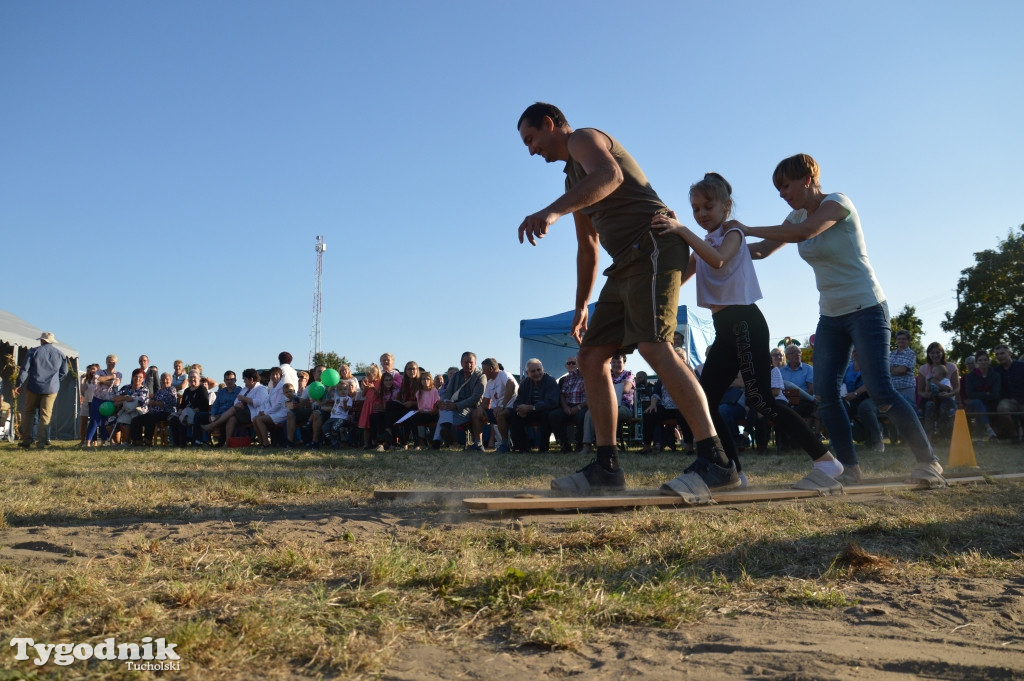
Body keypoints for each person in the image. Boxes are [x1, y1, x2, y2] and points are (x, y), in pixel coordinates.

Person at [516, 102, 737, 495]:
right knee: (590, 357)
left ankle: (716, 461)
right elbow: (588, 247)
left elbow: (611, 174)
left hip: (654, 244)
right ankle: (607, 468)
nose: (531, 150)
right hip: (625, 263)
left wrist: (551, 213)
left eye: (531, 139)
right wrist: (582, 304)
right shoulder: (572, 183)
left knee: (654, 346)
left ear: (550, 125)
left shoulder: (585, 138)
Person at [739, 153, 942, 484]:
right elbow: (761, 250)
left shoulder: (837, 203)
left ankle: (929, 462)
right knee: (824, 393)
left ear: (807, 179)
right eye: (777, 188)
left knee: (880, 389)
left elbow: (806, 232)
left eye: (785, 185)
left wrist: (745, 228)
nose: (781, 193)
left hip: (867, 308)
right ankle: (849, 468)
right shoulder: (794, 217)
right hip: (830, 315)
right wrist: (721, 246)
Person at [652, 173, 843, 487]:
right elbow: (678, 280)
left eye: (708, 207)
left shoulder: (732, 234)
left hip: (744, 322)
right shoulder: (702, 242)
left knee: (762, 400)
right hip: (724, 327)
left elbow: (717, 260)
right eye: (695, 209)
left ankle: (826, 463)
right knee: (703, 400)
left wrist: (682, 230)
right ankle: (731, 471)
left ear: (726, 206)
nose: (701, 214)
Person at [14, 331, 69, 449]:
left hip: (34, 385)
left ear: (42, 340)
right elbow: (64, 372)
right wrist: (55, 380)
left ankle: (26, 440)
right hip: (51, 388)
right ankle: (41, 442)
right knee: (46, 415)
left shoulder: (33, 351)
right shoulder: (60, 354)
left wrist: (18, 384)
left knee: (29, 413)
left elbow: (24, 370)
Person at [431, 352, 486, 450]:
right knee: (444, 407)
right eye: (466, 362)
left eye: (471, 362)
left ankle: (437, 442)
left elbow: (475, 398)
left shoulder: (480, 377)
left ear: (475, 363)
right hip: (454, 406)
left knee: (444, 416)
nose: (468, 365)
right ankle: (447, 433)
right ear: (461, 363)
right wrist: (443, 401)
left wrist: (456, 405)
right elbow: (448, 392)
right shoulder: (456, 375)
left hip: (471, 408)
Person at [507, 358, 560, 453]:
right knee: (512, 414)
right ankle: (522, 447)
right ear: (527, 373)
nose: (537, 373)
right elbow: (517, 401)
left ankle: (543, 447)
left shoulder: (550, 381)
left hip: (544, 411)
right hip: (530, 412)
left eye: (539, 370)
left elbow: (552, 402)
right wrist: (519, 409)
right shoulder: (524, 383)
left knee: (546, 414)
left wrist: (531, 407)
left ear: (543, 369)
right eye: (533, 371)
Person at [472, 358, 518, 452]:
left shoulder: (503, 374)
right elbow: (485, 402)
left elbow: (511, 385)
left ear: (491, 369)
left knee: (500, 414)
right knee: (476, 413)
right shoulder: (489, 383)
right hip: (498, 410)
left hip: (511, 409)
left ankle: (505, 444)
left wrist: (502, 406)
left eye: (484, 369)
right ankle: (478, 444)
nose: (483, 372)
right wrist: (481, 408)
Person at [916, 342, 959, 440]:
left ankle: (946, 435)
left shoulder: (951, 367)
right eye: (932, 353)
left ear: (942, 353)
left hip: (946, 397)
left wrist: (948, 394)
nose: (935, 355)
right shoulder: (923, 369)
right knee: (929, 406)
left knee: (945, 407)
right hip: (931, 398)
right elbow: (920, 391)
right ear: (928, 354)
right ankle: (928, 436)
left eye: (938, 352)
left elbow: (956, 388)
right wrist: (926, 393)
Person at [549, 356, 587, 454]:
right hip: (568, 405)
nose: (571, 365)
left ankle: (580, 444)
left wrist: (578, 407)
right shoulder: (568, 377)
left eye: (573, 363)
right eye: (569, 363)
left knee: (582, 416)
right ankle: (564, 444)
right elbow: (562, 394)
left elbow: (592, 397)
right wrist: (565, 407)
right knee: (554, 415)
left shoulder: (590, 376)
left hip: (583, 406)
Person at [131, 371, 177, 445]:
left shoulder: (171, 389)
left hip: (166, 412)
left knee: (150, 418)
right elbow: (150, 401)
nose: (165, 381)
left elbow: (173, 402)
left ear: (171, 381)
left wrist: (156, 403)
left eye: (167, 379)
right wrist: (151, 403)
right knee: (136, 419)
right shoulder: (159, 391)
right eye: (163, 379)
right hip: (153, 412)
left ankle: (148, 440)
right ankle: (137, 440)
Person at [86, 354, 122, 444]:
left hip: (110, 401)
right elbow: (96, 379)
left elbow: (116, 384)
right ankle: (88, 441)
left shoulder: (119, 374)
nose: (111, 364)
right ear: (106, 362)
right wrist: (111, 377)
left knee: (106, 422)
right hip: (98, 398)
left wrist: (103, 380)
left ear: (116, 363)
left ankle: (104, 441)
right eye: (109, 362)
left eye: (113, 362)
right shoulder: (99, 371)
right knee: (94, 420)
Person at [965, 350, 1000, 439]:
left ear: (989, 361)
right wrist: (987, 394)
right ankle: (988, 428)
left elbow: (996, 394)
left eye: (985, 360)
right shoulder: (971, 376)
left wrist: (980, 394)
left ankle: (980, 438)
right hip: (974, 404)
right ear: (976, 362)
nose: (983, 362)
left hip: (991, 403)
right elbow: (970, 394)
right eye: (980, 360)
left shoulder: (995, 375)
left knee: (980, 406)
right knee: (978, 403)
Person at [169, 371, 209, 446]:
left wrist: (193, 410)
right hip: (185, 412)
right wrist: (180, 410)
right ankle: (177, 442)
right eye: (190, 377)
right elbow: (182, 404)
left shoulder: (202, 390)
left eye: (194, 377)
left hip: (196, 413)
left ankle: (184, 441)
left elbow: (205, 405)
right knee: (174, 418)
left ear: (199, 379)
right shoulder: (187, 391)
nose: (192, 379)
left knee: (183, 417)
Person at [993, 344, 1024, 442]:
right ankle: (1013, 435)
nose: (999, 356)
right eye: (997, 354)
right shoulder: (995, 371)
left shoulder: (1021, 367)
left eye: (1002, 353)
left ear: (1010, 353)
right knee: (1002, 408)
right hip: (1008, 400)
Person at [78, 363, 99, 445]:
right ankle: (82, 440)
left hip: (94, 402)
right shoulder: (87, 380)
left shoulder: (99, 380)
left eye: (94, 369)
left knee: (93, 422)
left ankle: (94, 441)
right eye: (91, 369)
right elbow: (82, 390)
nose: (92, 371)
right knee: (83, 421)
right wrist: (82, 380)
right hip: (86, 402)